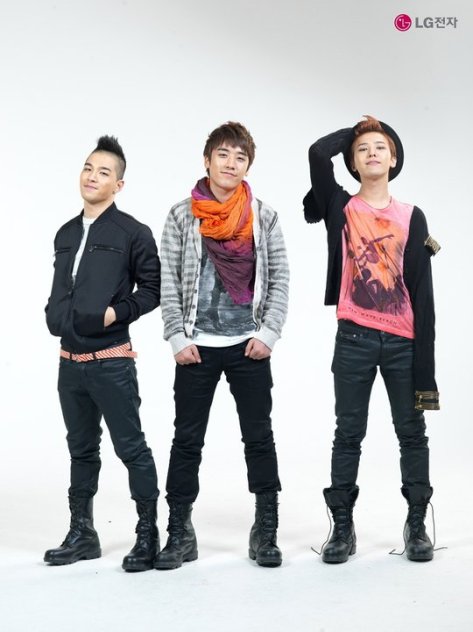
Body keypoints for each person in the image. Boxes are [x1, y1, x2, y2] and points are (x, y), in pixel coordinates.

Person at [303, 116, 440, 563]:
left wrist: (425, 365)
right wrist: (357, 130)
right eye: (363, 150)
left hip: (403, 342)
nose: (372, 153)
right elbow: (317, 154)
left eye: (381, 147)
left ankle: (416, 524)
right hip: (354, 338)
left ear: (394, 159)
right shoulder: (341, 208)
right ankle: (342, 528)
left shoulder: (412, 216)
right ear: (353, 163)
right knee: (348, 433)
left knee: (411, 433)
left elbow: (422, 292)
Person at [155, 122, 289, 570]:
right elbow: (168, 280)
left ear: (248, 165)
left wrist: (267, 334)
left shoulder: (264, 216)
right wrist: (177, 336)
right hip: (196, 346)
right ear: (207, 159)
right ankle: (179, 530)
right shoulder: (181, 215)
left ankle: (265, 529)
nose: (231, 164)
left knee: (259, 437)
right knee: (186, 439)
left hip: (248, 344)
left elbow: (280, 278)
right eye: (223, 155)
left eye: (240, 157)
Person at [44, 135, 161, 572]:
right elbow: (63, 286)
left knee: (131, 448)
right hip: (69, 363)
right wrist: (54, 313)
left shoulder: (133, 233)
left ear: (119, 184)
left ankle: (148, 535)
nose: (92, 176)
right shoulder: (66, 233)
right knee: (80, 450)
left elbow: (152, 290)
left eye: (104, 172)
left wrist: (114, 314)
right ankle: (82, 533)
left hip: (111, 361)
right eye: (88, 168)